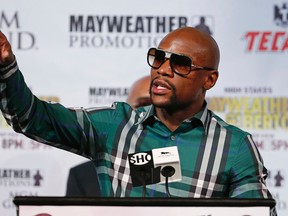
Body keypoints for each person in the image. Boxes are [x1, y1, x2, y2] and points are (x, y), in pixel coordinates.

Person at [0, 27, 276, 215]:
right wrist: (6, 65)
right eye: (158, 58)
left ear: (210, 79)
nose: (163, 70)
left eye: (180, 63)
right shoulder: (116, 127)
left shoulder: (235, 147)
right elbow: (30, 117)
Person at [66, 75, 151, 196]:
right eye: (143, 105)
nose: (150, 113)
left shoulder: (183, 168)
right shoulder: (83, 176)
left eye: (160, 108)